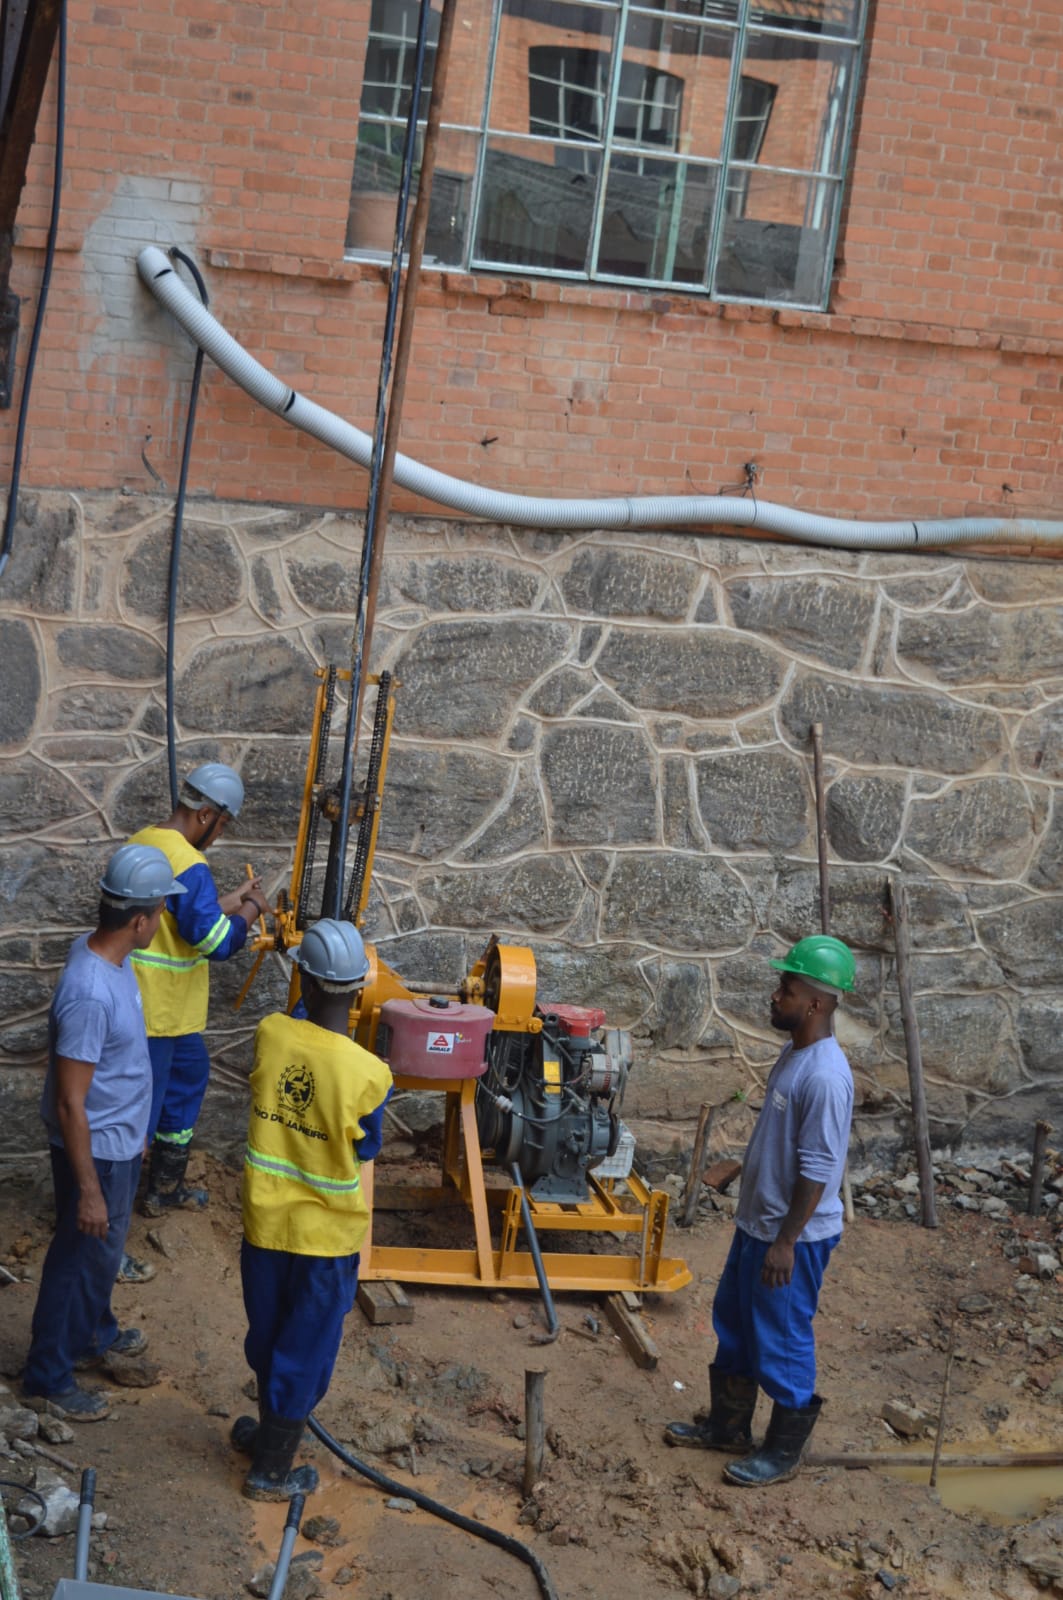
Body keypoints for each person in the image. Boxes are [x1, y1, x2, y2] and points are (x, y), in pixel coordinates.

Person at [665, 934, 856, 1487]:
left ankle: (783, 1453)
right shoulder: (796, 1053)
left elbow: (819, 1169)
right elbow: (786, 1145)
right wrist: (739, 1169)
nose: (775, 996)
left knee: (783, 1334)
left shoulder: (825, 1075)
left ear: (816, 1003)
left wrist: (786, 1242)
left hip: (790, 1237)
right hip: (761, 1224)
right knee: (736, 1324)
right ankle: (728, 1427)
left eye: (786, 988)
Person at [22, 845, 187, 1421]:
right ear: (139, 920)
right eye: (162, 910)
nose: (164, 918)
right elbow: (70, 1102)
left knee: (101, 1254)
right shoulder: (89, 992)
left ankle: (94, 1334)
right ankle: (47, 1377)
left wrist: (136, 1129)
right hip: (95, 1151)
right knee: (78, 1258)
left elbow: (115, 1070)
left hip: (117, 1141)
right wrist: (90, 1187)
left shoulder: (110, 961)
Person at [231, 918, 392, 1501]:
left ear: (304, 979)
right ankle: (272, 1470)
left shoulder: (272, 1034)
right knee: (306, 1347)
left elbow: (296, 1026)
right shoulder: (369, 1075)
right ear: (358, 989)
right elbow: (366, 1146)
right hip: (325, 1240)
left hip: (266, 1225)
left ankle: (269, 1435)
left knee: (268, 1330)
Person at [126, 762, 270, 1224]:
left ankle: (164, 1189)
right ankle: (110, 1229)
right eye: (223, 824)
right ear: (206, 814)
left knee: (189, 1077)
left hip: (158, 1012)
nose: (220, 834)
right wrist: (250, 909)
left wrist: (229, 898)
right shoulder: (190, 863)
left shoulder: (145, 841)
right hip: (158, 1014)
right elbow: (217, 942)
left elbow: (181, 913)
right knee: (138, 1121)